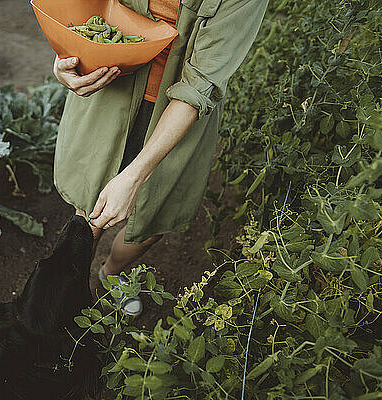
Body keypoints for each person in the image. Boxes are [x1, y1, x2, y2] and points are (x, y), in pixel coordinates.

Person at [52, 0, 268, 316]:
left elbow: (200, 84)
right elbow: (81, 13)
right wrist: (63, 62)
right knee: (91, 209)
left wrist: (136, 174)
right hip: (110, 92)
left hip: (180, 114)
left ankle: (110, 274)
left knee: (154, 217)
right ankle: (70, 293)